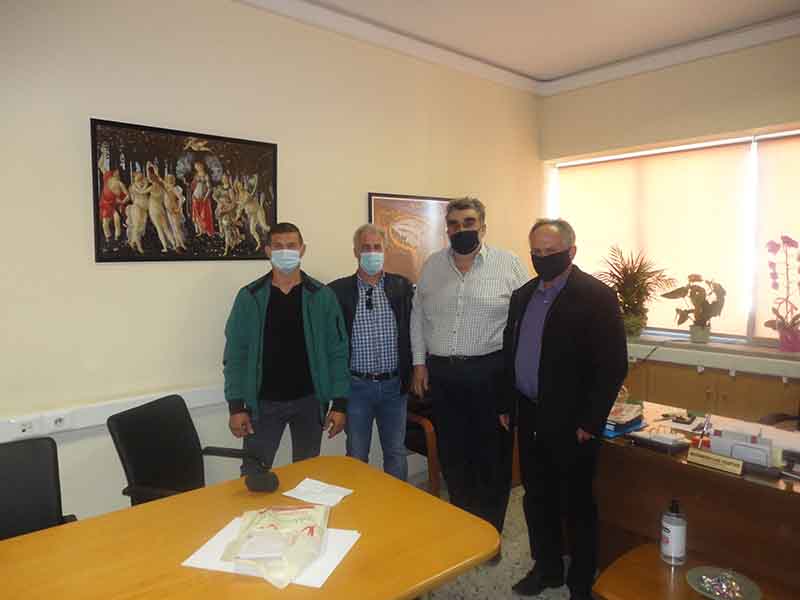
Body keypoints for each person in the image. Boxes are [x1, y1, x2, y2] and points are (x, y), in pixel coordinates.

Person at [502, 218, 628, 600]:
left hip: (574, 422)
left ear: (571, 252)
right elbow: (510, 353)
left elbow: (612, 365)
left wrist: (591, 421)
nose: (543, 258)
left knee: (576, 504)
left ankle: (581, 582)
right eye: (536, 252)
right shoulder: (522, 295)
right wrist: (507, 404)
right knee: (536, 497)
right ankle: (548, 568)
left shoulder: (597, 297)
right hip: (530, 413)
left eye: (551, 252)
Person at [410, 197, 528, 540]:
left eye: (469, 222)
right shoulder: (432, 265)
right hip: (444, 375)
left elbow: (523, 320)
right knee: (453, 455)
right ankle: (463, 530)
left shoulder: (509, 264)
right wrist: (419, 363)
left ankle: (489, 535)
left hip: (490, 373)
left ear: (482, 227)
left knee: (492, 457)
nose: (461, 229)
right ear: (447, 229)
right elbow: (418, 316)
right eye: (454, 224)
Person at [223, 222, 350, 474]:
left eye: (291, 246)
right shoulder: (249, 297)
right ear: (268, 251)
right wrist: (236, 407)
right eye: (278, 246)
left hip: (310, 401)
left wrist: (340, 404)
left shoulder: (322, 296)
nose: (285, 251)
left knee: (306, 476)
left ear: (302, 249)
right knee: (253, 474)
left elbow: (338, 352)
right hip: (263, 404)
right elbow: (235, 355)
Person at [329, 224, 414, 481]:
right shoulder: (337, 291)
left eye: (377, 247)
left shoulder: (402, 287)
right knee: (356, 455)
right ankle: (361, 503)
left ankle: (397, 502)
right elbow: (332, 344)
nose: (372, 252)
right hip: (356, 388)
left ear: (385, 250)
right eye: (366, 247)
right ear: (356, 251)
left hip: (394, 387)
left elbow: (415, 331)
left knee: (396, 452)